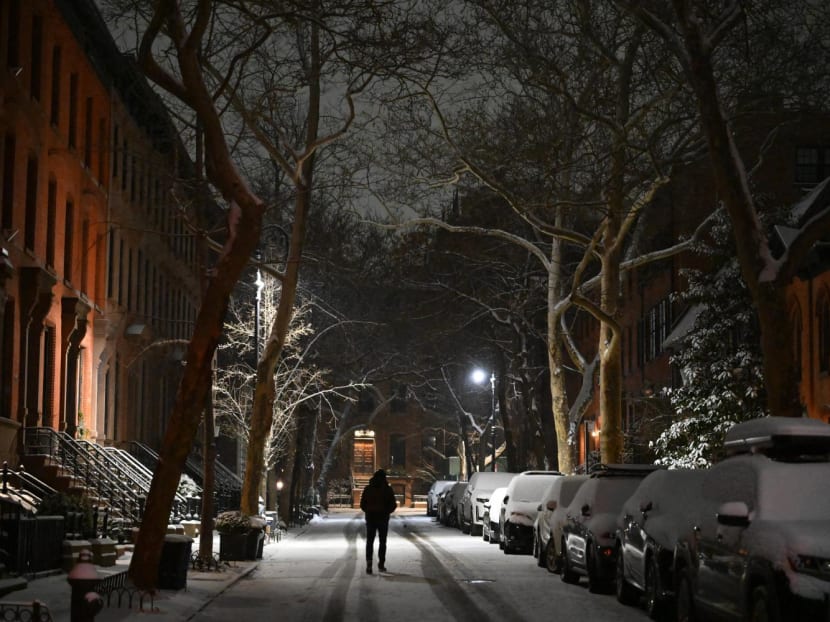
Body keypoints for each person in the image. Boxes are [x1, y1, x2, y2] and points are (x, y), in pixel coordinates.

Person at [360, 469, 397, 574]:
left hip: (371, 518)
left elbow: (362, 504)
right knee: (382, 541)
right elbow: (393, 504)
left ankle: (369, 563)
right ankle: (381, 563)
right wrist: (386, 512)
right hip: (383, 518)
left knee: (370, 541)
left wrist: (368, 511)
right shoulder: (387, 489)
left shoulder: (368, 488)